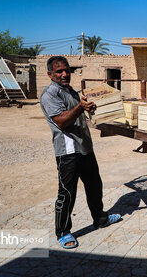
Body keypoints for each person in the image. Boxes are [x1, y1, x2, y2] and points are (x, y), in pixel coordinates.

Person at [40, 56, 121, 249]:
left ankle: (100, 219)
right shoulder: (49, 94)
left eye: (67, 70)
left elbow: (82, 113)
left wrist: (95, 103)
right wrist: (80, 107)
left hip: (85, 147)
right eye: (59, 71)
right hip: (67, 151)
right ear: (50, 74)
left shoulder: (72, 92)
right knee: (67, 193)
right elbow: (61, 121)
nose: (64, 74)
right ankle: (63, 232)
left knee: (95, 186)